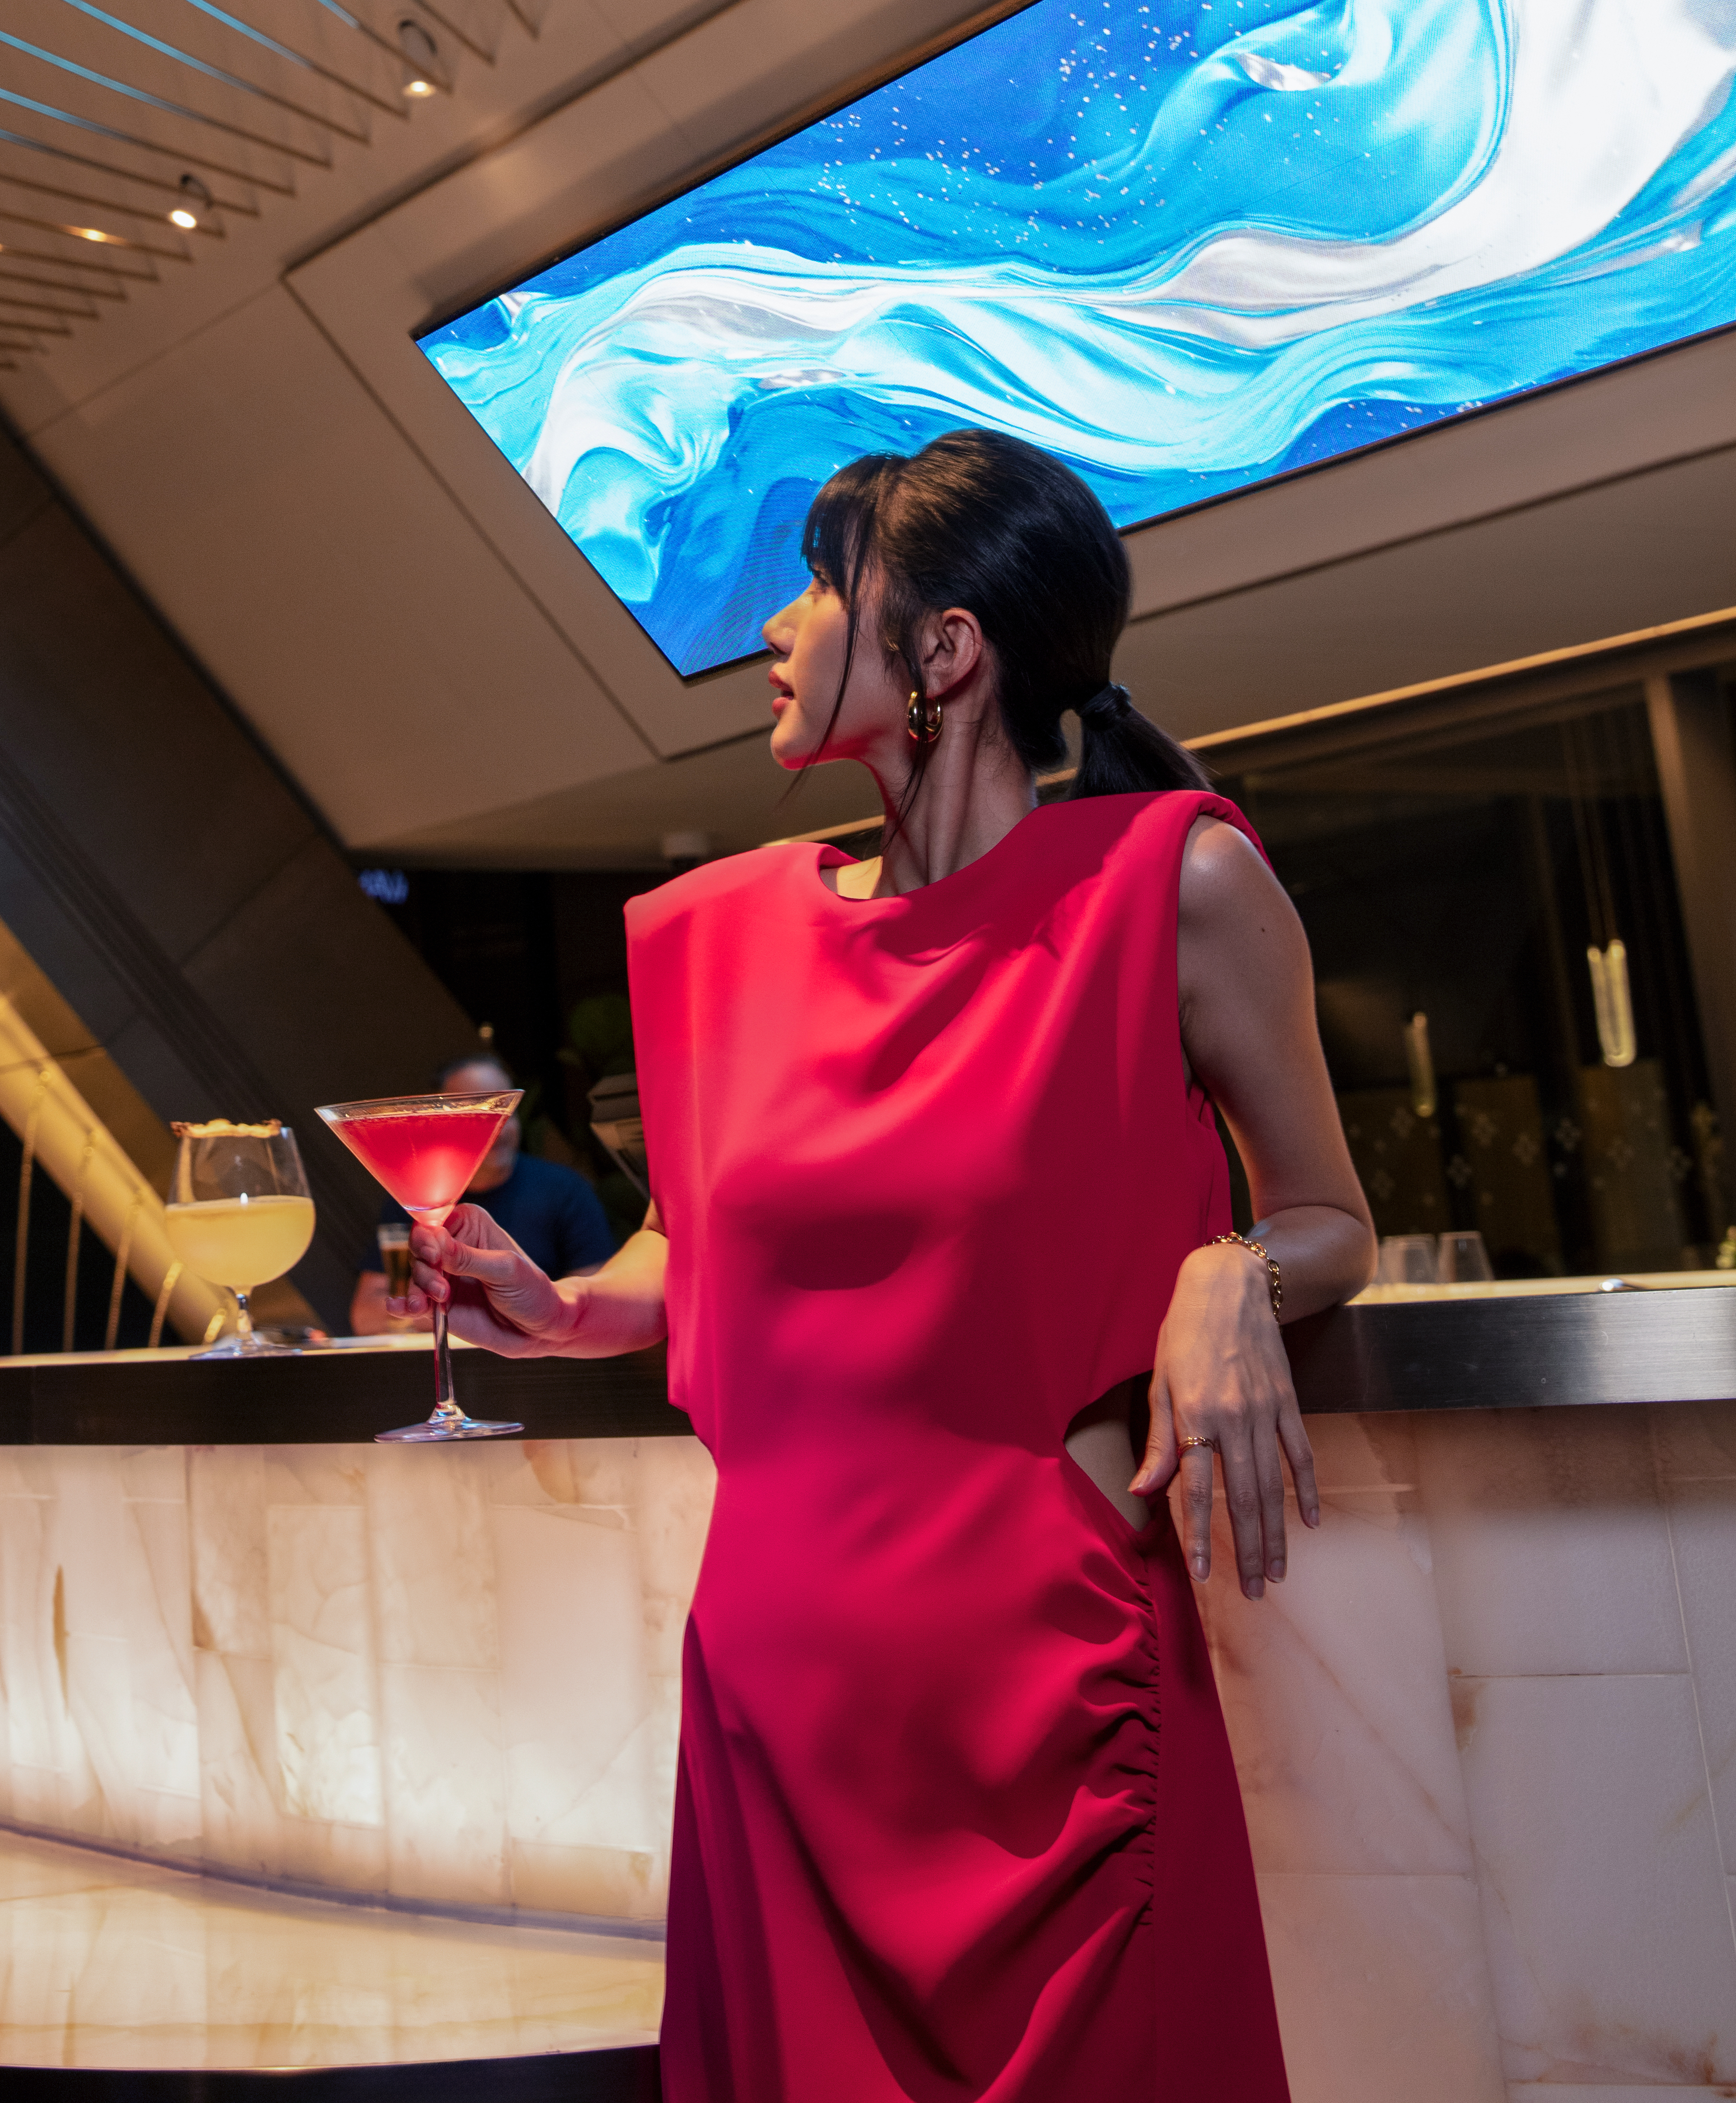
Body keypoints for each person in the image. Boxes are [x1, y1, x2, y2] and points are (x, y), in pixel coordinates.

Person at [409, 427, 1374, 2103]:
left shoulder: (1174, 881)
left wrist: (1232, 1267)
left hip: (1044, 1709)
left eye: (814, 585)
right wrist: (562, 1310)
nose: (773, 631)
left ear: (946, 648)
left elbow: (1327, 1216)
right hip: (778, 1701)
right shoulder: (723, 932)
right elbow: (690, 1255)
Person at [348, 1051, 611, 1333]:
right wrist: (460, 1315)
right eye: (474, 1114)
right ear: (434, 1124)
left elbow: (596, 1304)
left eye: (504, 1113)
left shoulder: (565, 1190)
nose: (497, 1128)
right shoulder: (412, 1197)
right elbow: (365, 1315)